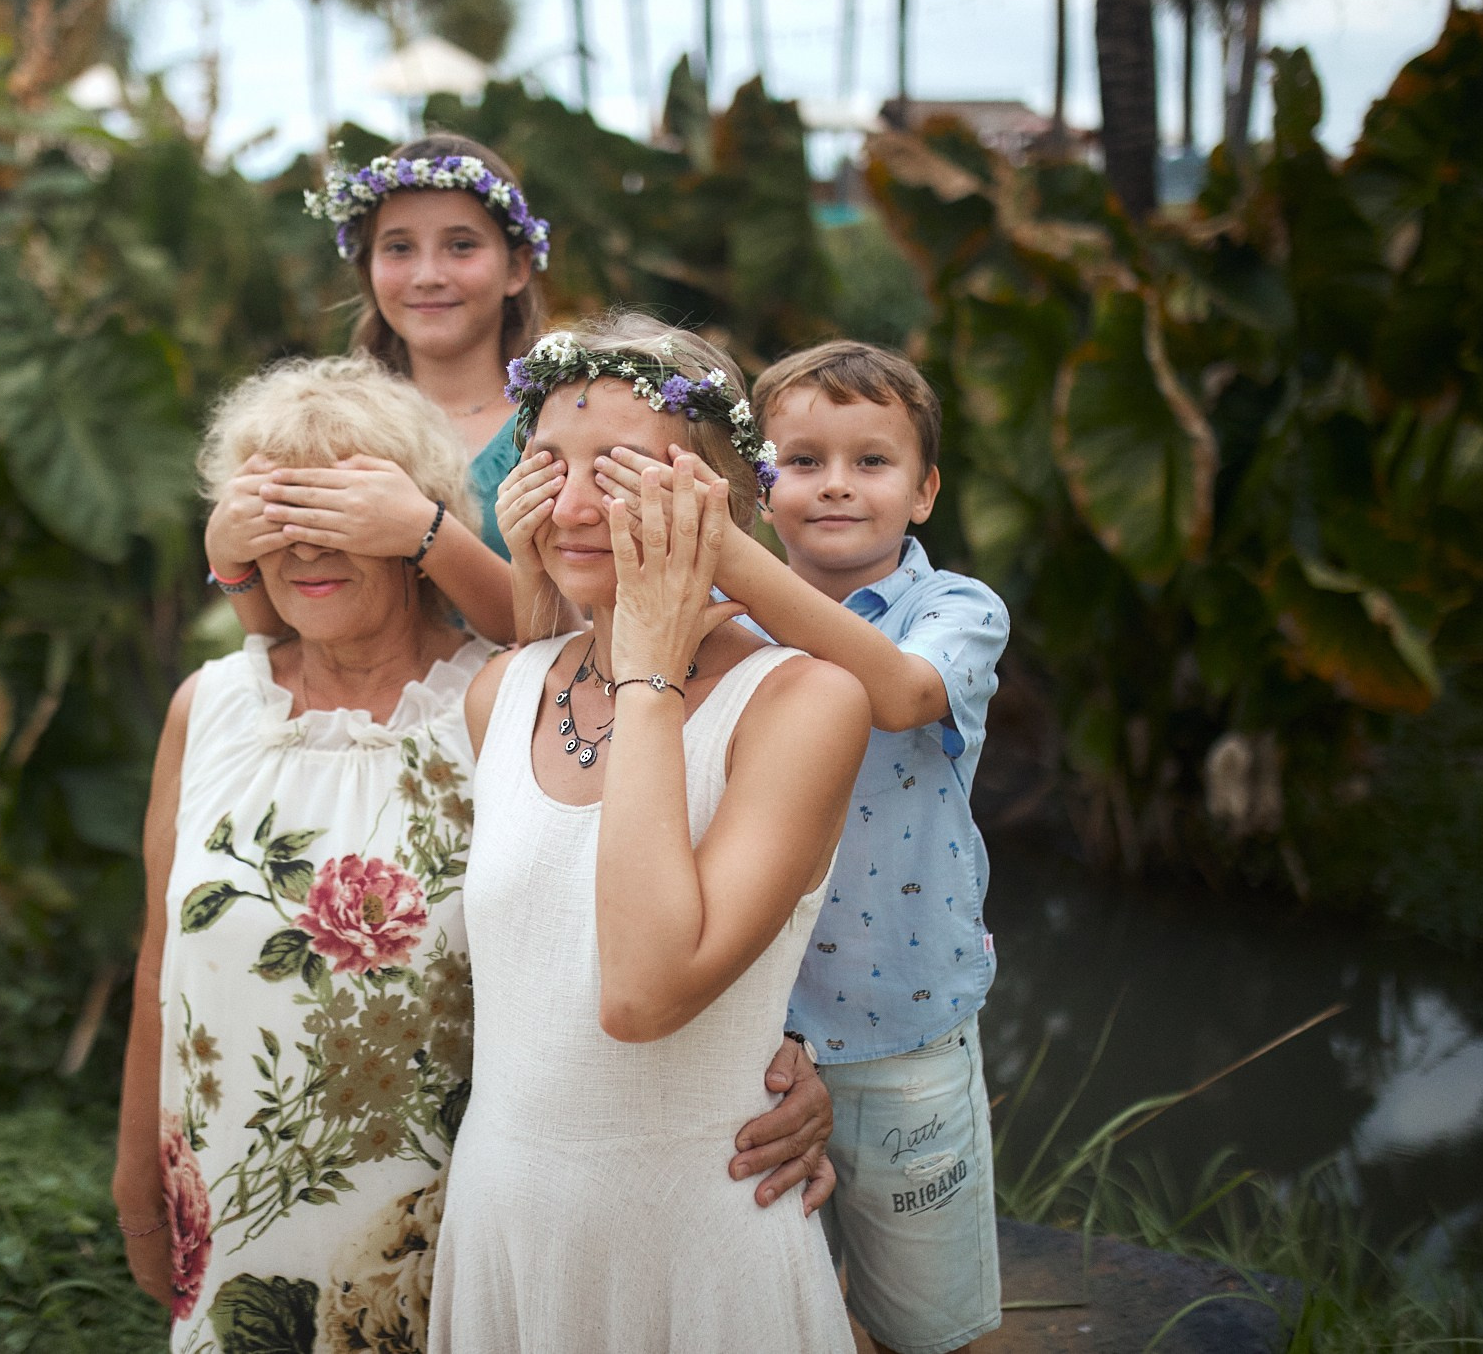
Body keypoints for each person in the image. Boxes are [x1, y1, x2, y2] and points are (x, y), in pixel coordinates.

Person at [114, 354, 835, 1354]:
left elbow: (613, 892)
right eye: (274, 514)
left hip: (443, 1226)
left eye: (339, 510)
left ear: (416, 528)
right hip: (236, 1208)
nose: (306, 542)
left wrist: (778, 1044)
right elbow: (160, 960)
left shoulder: (491, 700)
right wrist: (134, 1179)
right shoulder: (211, 707)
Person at [431, 315, 872, 1353]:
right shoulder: (504, 690)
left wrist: (648, 674)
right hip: (504, 1230)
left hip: (694, 1252)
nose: (576, 507)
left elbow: (638, 991)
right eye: (548, 466)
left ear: (718, 501)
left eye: (622, 474)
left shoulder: (801, 704)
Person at [588, 341, 1011, 1354]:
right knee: (782, 1309)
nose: (833, 485)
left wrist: (725, 553)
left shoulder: (952, 610)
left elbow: (901, 694)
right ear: (757, 485)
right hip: (757, 1041)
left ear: (923, 491)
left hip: (907, 1030)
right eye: (801, 460)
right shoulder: (717, 628)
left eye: (870, 462)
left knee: (932, 1321)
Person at [203, 135, 549, 645]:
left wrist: (427, 534)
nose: (428, 276)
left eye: (461, 246)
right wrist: (228, 554)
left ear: (517, 267)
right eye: (399, 248)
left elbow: (581, 636)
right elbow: (291, 639)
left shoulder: (562, 424)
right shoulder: (326, 422)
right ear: (367, 268)